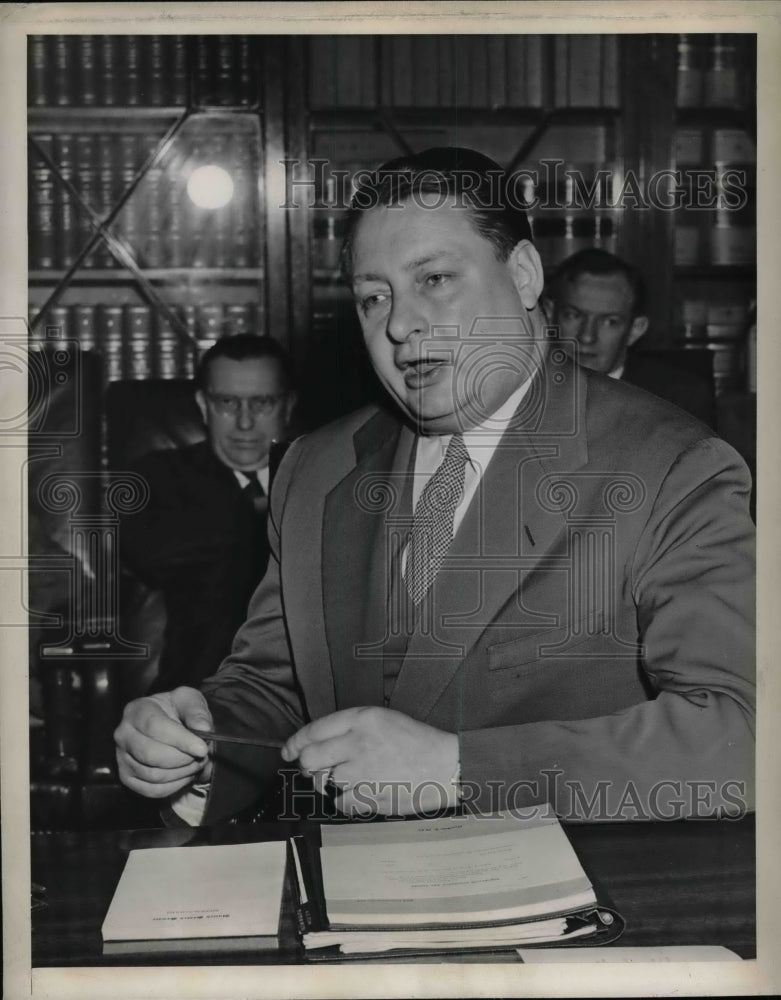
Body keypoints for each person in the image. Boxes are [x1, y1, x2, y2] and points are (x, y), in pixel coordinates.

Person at [115, 148, 754, 825]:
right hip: (352, 903)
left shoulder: (670, 465)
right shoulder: (314, 469)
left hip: (580, 907)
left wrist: (457, 770)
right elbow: (279, 691)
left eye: (435, 279)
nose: (398, 324)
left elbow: (740, 735)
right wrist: (194, 737)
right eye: (373, 296)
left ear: (524, 274)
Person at [118, 333, 296, 693]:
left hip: (314, 696)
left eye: (262, 403)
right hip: (201, 694)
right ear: (203, 405)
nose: (244, 423)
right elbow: (150, 553)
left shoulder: (325, 471)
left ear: (288, 406)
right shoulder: (158, 478)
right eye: (227, 402)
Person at [544, 247, 717, 425]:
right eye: (573, 315)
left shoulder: (679, 401)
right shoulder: (520, 388)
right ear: (549, 315)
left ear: (636, 329)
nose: (587, 337)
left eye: (609, 322)